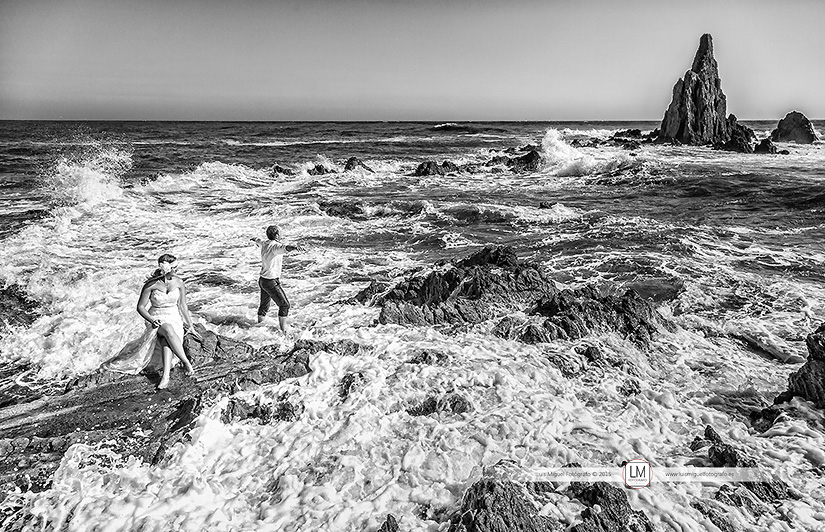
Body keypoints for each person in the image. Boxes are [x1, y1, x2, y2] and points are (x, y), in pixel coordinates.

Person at [104, 254, 200, 389]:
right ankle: (186, 362)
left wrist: (191, 326)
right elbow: (140, 307)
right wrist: (151, 320)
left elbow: (183, 306)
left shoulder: (179, 282)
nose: (177, 271)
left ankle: (166, 375)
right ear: (167, 269)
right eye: (175, 268)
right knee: (167, 329)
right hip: (155, 316)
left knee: (166, 338)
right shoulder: (151, 285)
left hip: (173, 316)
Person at [252, 225, 302, 335]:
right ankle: (284, 331)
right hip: (270, 281)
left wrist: (254, 239)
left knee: (264, 305)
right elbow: (286, 247)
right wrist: (295, 247)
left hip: (262, 280)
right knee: (284, 305)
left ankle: (259, 327)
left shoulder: (264, 243)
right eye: (280, 232)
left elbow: (258, 241)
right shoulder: (275, 246)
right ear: (277, 235)